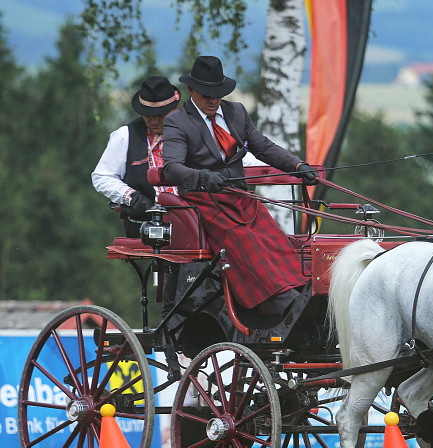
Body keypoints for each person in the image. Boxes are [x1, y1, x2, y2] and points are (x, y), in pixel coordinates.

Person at [162, 55, 319, 312]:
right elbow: (171, 167)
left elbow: (263, 147)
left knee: (274, 239)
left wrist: (298, 166)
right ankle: (276, 301)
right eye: (206, 94)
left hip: (240, 197)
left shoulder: (236, 112)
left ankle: (298, 290)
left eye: (217, 94)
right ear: (191, 90)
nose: (213, 100)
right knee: (246, 241)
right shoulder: (177, 121)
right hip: (204, 201)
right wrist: (201, 176)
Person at [92, 75, 181, 237]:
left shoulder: (191, 132)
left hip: (190, 220)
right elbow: (102, 177)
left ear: (174, 110)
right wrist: (132, 197)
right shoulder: (125, 135)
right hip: (145, 224)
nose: (154, 121)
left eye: (161, 115)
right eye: (148, 115)